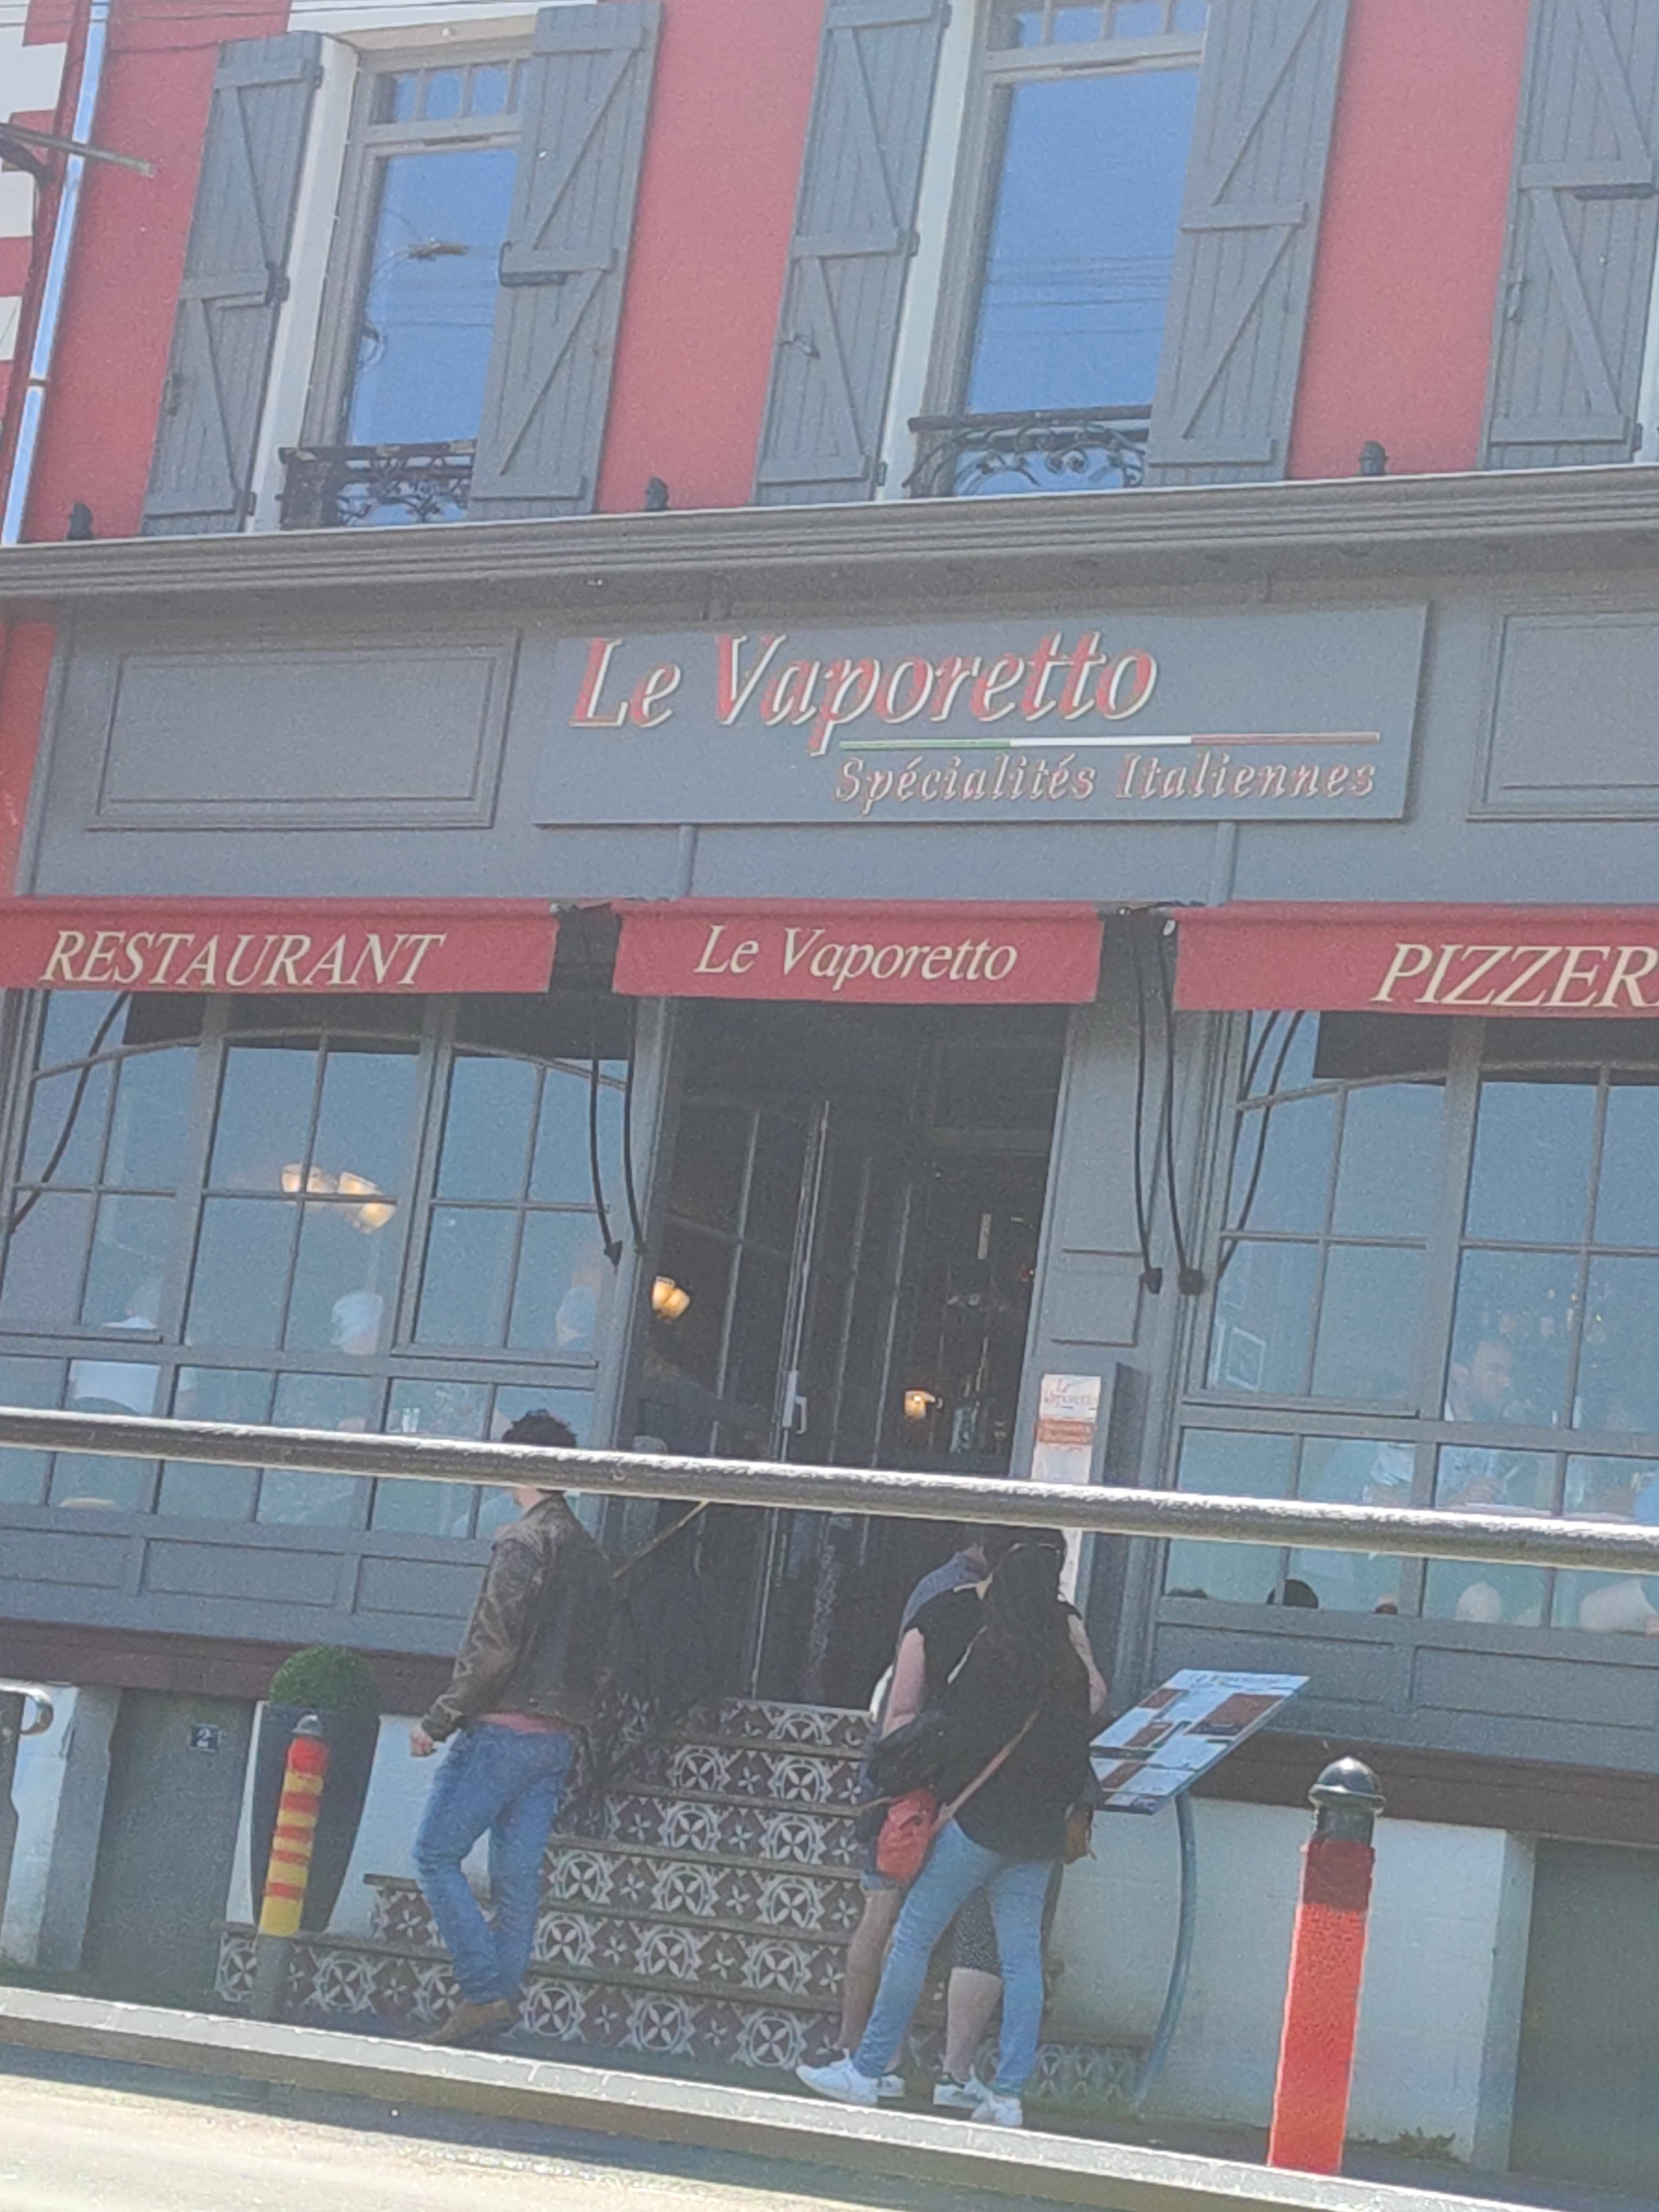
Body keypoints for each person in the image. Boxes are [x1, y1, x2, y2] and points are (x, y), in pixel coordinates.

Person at [800, 1532, 1107, 2130]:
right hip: (1039, 1832)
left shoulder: (982, 1642)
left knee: (912, 1937)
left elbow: (937, 1728)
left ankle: (867, 2069)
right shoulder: (1065, 1649)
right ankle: (1007, 2094)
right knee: (1021, 1959)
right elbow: (1087, 1719)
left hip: (974, 1822)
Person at [409, 1410, 617, 2048]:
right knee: (518, 1879)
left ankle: (482, 1992)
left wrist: (440, 1719)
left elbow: (494, 1647)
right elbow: (603, 1655)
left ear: (518, 1461)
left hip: (500, 1728)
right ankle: (497, 1998)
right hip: (557, 1734)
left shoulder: (522, 1543)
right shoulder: (589, 1551)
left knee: (435, 1854)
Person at [835, 1528, 992, 2090]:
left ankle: (862, 2048)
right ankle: (871, 2051)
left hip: (900, 1766)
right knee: (890, 1916)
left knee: (886, 1913)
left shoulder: (937, 1587)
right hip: (911, 1775)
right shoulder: (952, 1596)